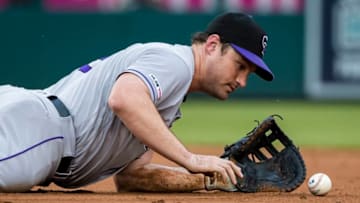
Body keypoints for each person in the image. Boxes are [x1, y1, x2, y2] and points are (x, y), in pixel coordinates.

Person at [0, 12, 274, 192]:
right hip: (40, 133)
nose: (242, 81)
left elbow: (133, 176)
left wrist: (214, 178)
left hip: (34, 127)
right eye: (239, 66)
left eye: (248, 73)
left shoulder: (170, 93)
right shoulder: (177, 63)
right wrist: (191, 159)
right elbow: (124, 98)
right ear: (212, 45)